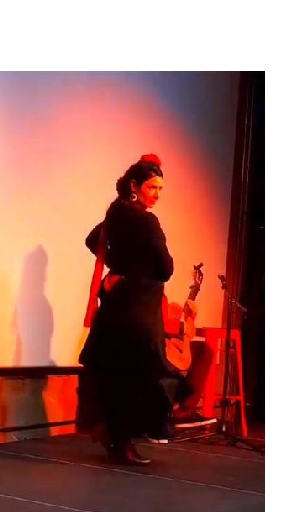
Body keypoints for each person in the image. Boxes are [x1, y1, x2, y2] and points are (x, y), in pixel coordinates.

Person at [78, 154, 174, 465]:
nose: (157, 194)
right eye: (152, 187)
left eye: (160, 188)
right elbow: (166, 268)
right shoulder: (146, 221)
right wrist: (135, 273)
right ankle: (124, 443)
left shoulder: (116, 213)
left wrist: (118, 269)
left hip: (117, 305)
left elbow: (93, 240)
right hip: (138, 307)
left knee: (115, 373)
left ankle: (118, 441)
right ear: (135, 186)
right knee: (136, 374)